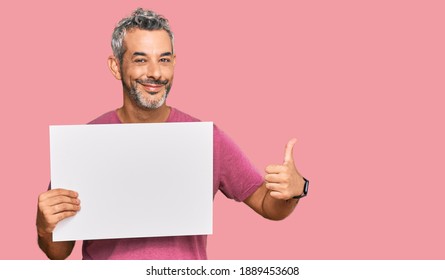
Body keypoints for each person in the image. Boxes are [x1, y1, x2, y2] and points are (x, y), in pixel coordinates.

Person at [36, 8, 309, 260]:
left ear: (174, 63)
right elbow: (58, 251)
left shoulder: (205, 139)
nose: (155, 73)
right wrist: (43, 225)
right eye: (140, 60)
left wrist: (296, 190)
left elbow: (266, 204)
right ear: (116, 66)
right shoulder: (83, 145)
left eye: (164, 60)